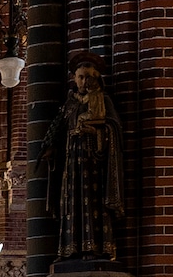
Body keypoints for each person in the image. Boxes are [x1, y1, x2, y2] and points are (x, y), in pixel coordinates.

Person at [41, 54, 126, 261]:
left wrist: (96, 132)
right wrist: (51, 149)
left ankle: (96, 247)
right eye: (80, 77)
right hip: (71, 164)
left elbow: (114, 128)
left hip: (94, 163)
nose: (84, 82)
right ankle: (70, 249)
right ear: (74, 79)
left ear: (96, 78)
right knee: (70, 203)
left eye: (88, 77)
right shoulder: (70, 104)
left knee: (92, 202)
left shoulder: (102, 100)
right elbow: (57, 131)